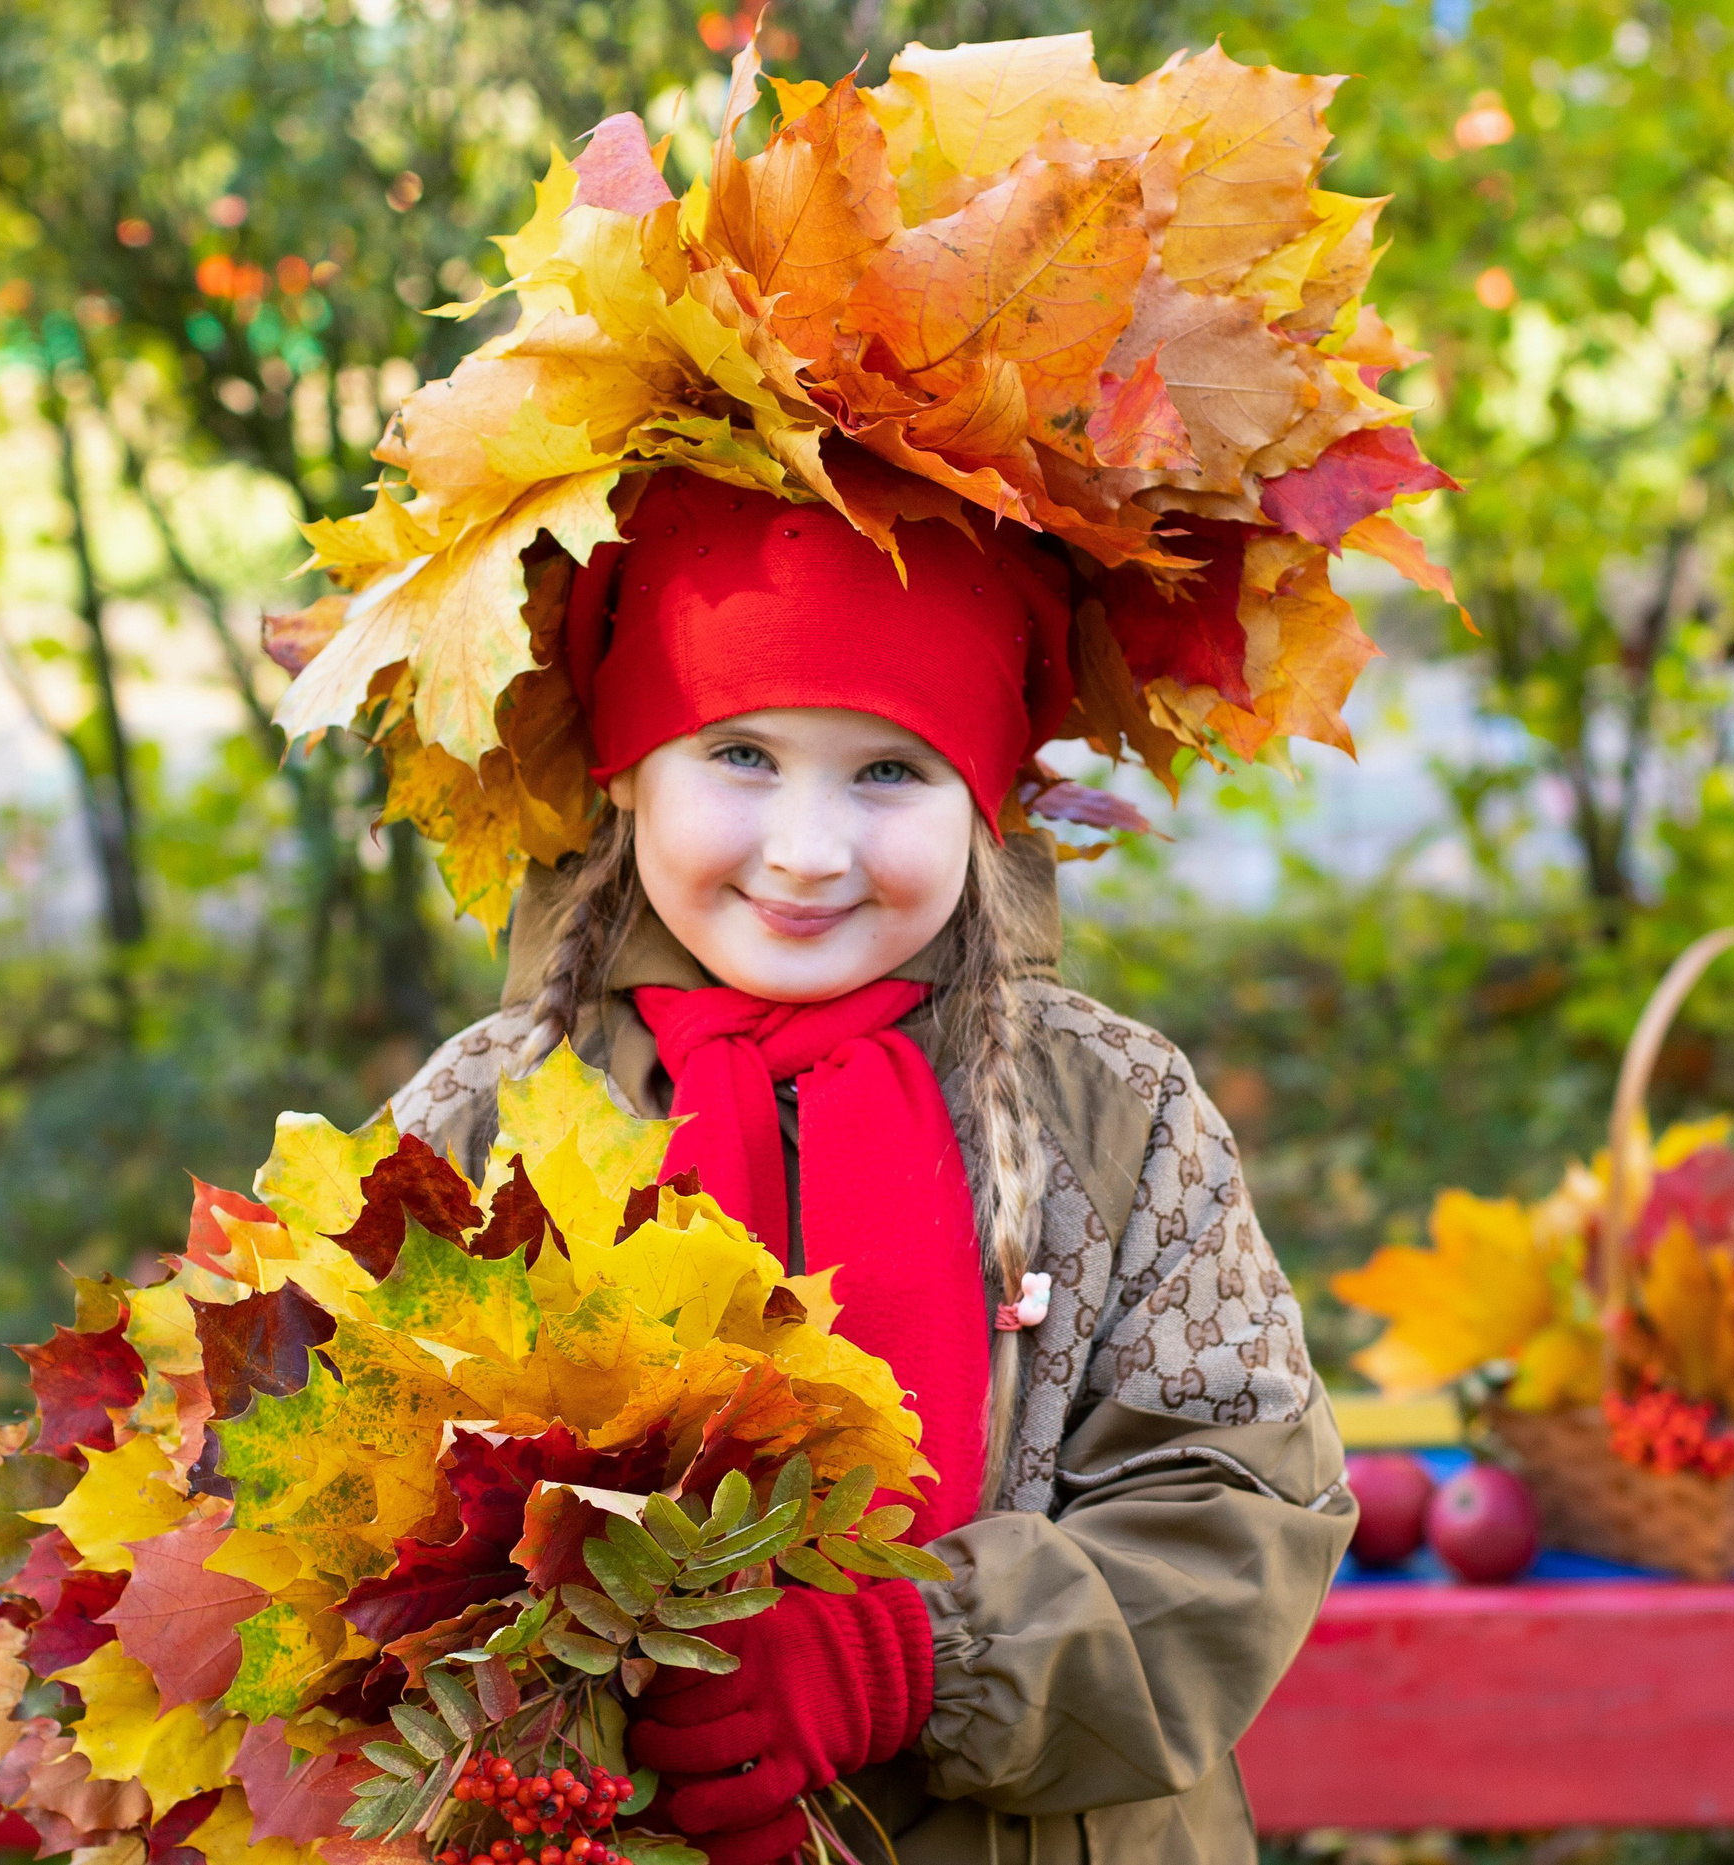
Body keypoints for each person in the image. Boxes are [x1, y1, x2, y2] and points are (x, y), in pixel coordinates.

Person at [388, 466, 1358, 1864]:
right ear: (626, 769)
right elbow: (350, 1518)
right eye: (740, 754)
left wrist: (908, 1654)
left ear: (982, 801)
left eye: (891, 770)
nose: (806, 850)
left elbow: (1235, 1505)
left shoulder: (1114, 1115)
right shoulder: (483, 1119)